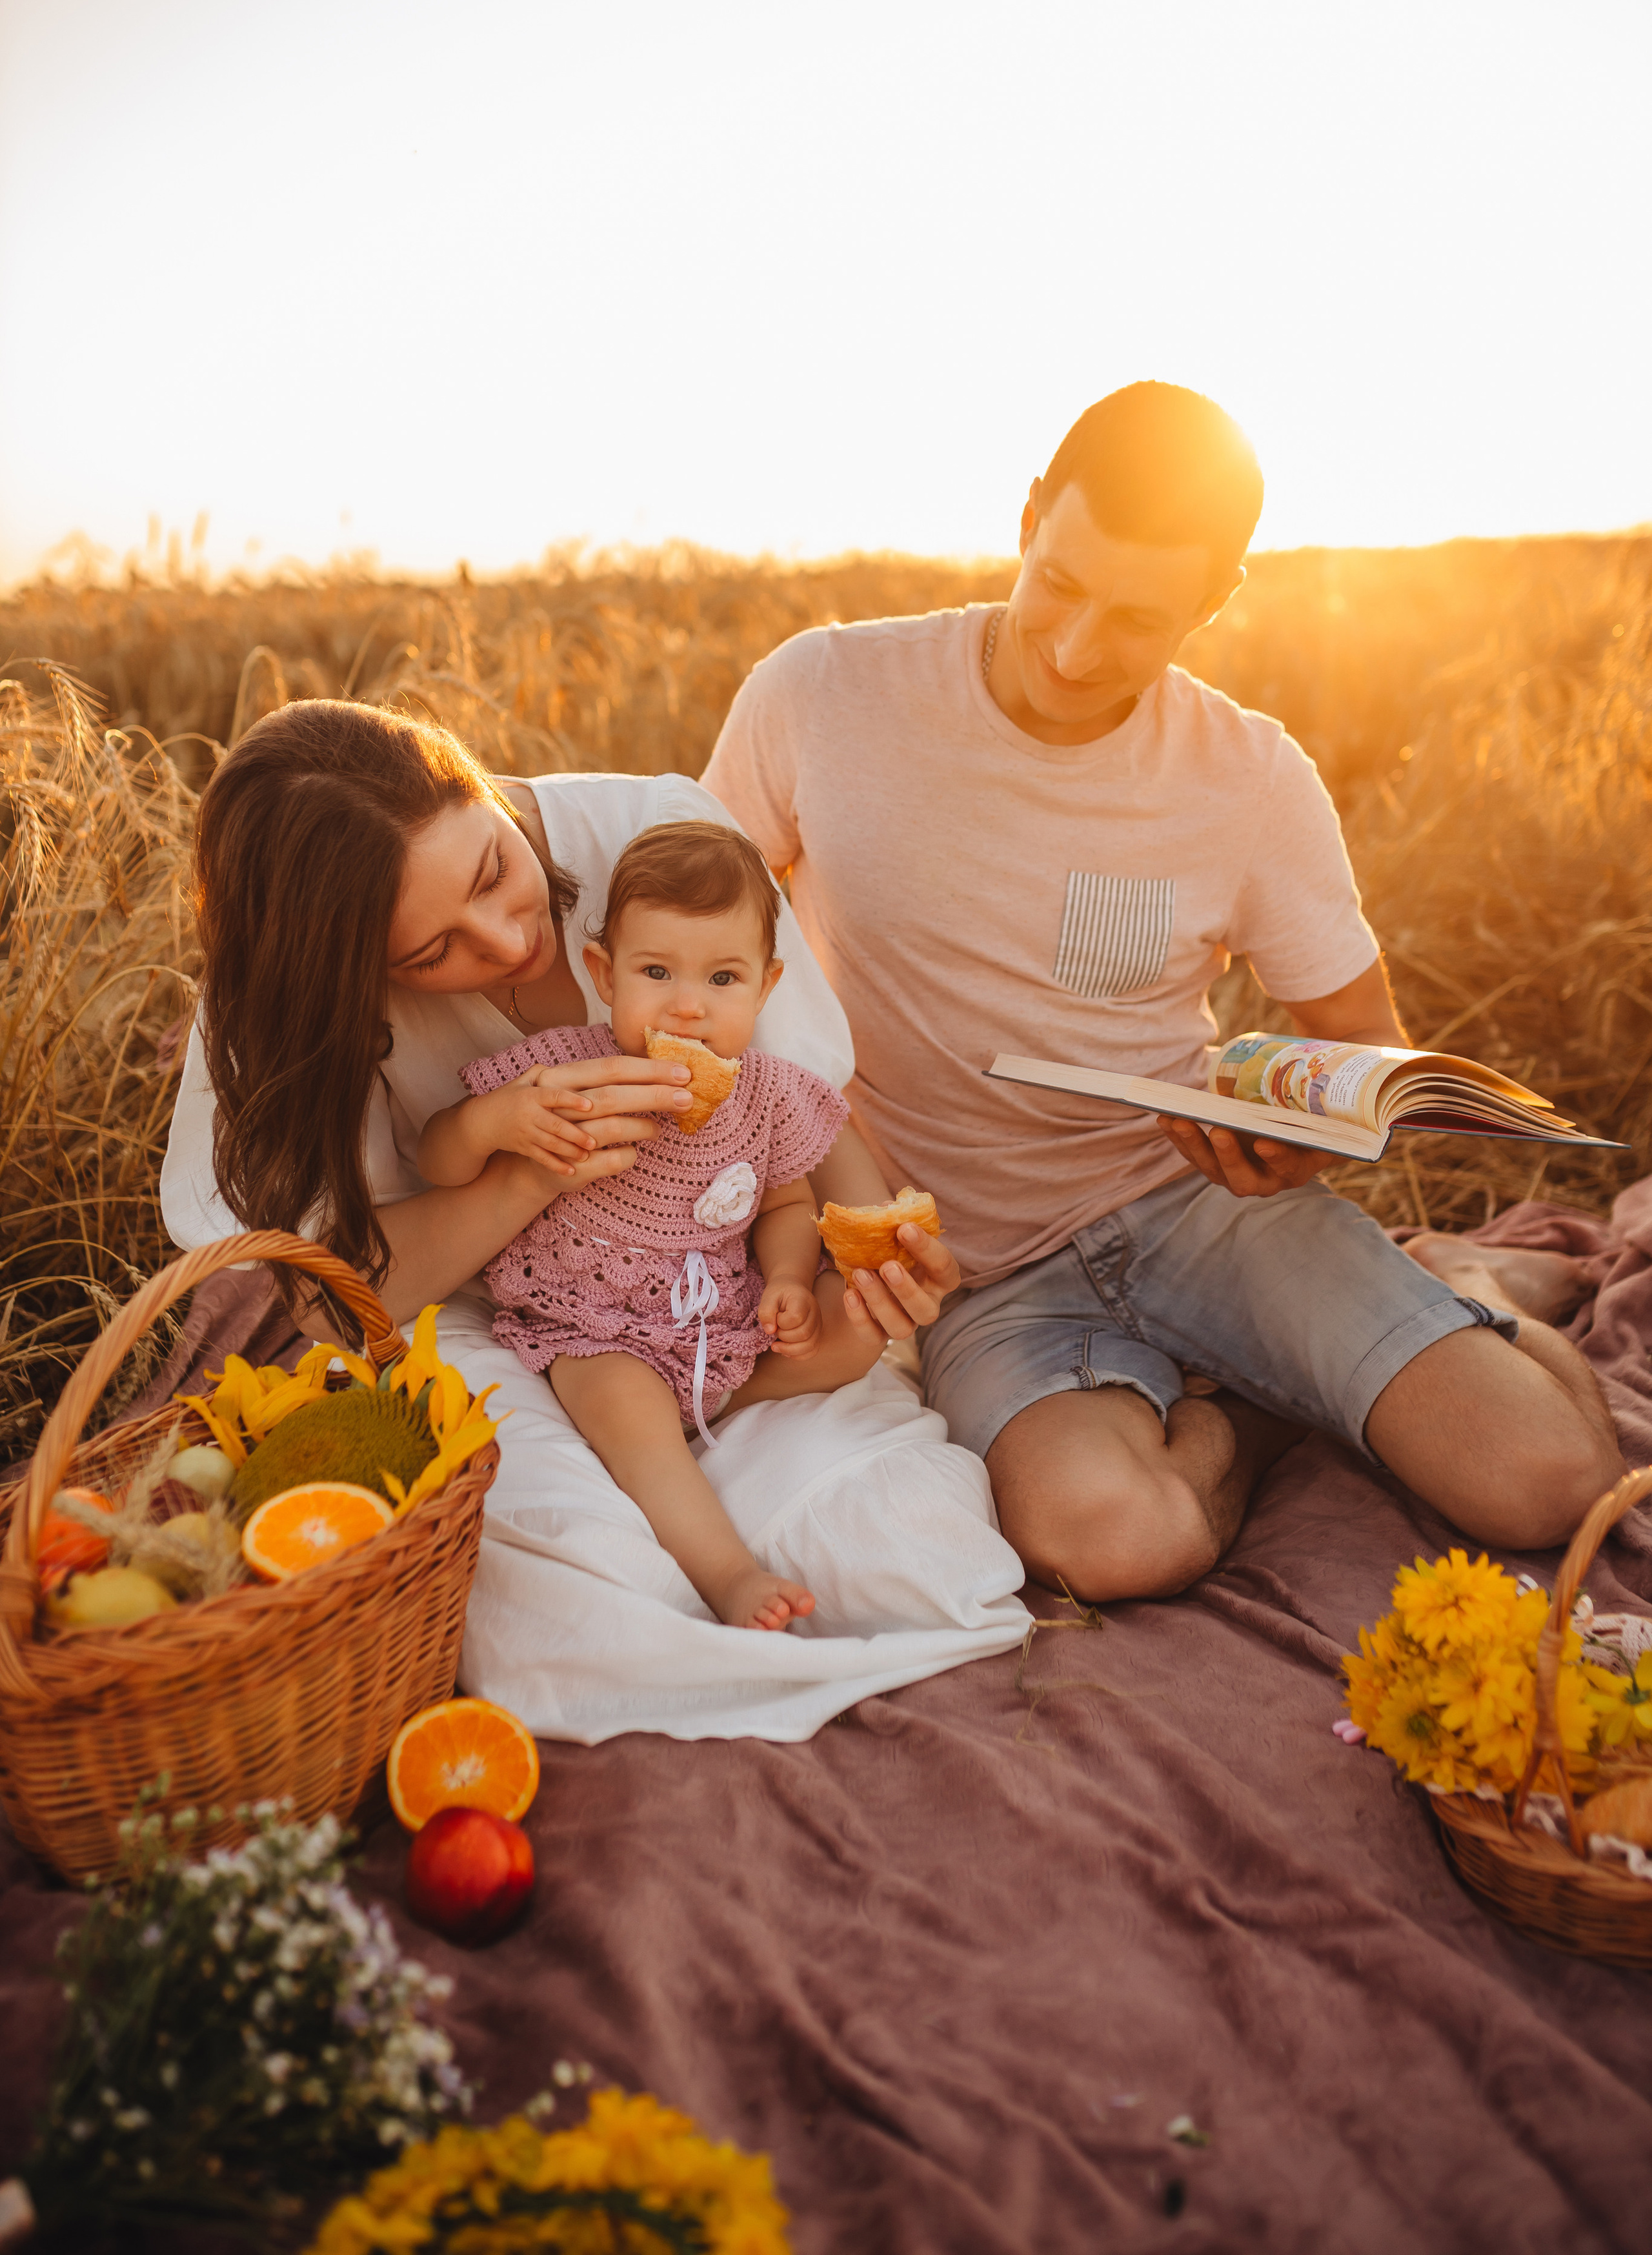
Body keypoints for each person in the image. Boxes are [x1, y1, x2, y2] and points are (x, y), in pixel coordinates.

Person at [702, 379, 1622, 1603]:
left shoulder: (1248, 777)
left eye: (1139, 617)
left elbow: (1362, 1040)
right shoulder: (819, 696)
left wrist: (1304, 1142)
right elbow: (695, 945)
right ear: (1030, 517)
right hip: (975, 1268)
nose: (1080, 651)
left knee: (1550, 1486)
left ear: (1216, 598)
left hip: (1197, 1205)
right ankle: (1255, 1408)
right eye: (1063, 587)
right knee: (1119, 1544)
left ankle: (1457, 1279)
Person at [160, 700, 1030, 1741]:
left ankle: (752, 1597)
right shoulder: (297, 1008)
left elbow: (798, 1117)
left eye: (491, 872)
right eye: (433, 954)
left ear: (474, 778)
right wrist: (525, 1174)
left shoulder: (660, 841)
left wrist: (871, 1256)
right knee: (576, 1591)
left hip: (715, 1293)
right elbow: (355, 1291)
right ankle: (706, 1621)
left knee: (918, 1544)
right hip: (496, 1316)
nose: (511, 938)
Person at [418, 821, 898, 1630]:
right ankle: (728, 1573)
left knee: (856, 1338)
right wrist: (491, 1125)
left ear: (766, 986)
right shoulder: (564, 1067)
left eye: (722, 978)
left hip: (713, 1326)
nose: (688, 1004)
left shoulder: (768, 1095)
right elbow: (438, 1159)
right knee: (628, 1407)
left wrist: (787, 1280)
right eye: (655, 971)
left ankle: (710, 1402)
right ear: (605, 976)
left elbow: (786, 1205)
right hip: (591, 1325)